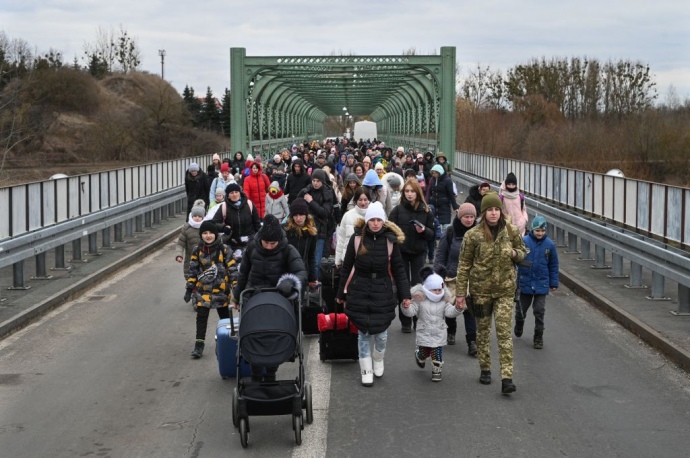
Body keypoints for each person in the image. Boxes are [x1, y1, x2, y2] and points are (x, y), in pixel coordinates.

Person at [454, 191, 527, 395]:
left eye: (497, 209)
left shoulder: (511, 231)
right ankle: (485, 368)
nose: (494, 213)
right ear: (484, 212)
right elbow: (464, 265)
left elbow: (523, 253)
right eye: (490, 210)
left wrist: (515, 253)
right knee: (483, 332)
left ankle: (507, 378)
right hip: (481, 292)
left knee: (504, 333)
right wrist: (460, 293)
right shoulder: (473, 235)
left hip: (504, 290)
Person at [336, 201, 411, 387]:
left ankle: (378, 358)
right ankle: (366, 369)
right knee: (363, 333)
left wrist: (405, 295)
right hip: (360, 289)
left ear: (383, 221)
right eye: (372, 220)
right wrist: (340, 293)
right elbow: (347, 267)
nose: (375, 223)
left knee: (381, 333)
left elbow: (399, 269)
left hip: (382, 290)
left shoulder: (390, 241)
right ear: (367, 220)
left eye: (378, 220)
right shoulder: (357, 239)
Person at [232, 215, 308, 381]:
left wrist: (289, 282)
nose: (268, 246)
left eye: (272, 244)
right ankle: (256, 372)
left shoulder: (288, 250)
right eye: (266, 243)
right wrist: (237, 297)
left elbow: (301, 272)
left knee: (275, 335)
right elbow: (243, 274)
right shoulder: (252, 248)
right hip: (254, 296)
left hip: (278, 297)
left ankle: (271, 371)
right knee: (254, 334)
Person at [388, 179, 435, 333]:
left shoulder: (426, 210)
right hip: (401, 252)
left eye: (412, 191)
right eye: (407, 191)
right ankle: (405, 321)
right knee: (403, 286)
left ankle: (417, 319)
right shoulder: (397, 210)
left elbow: (432, 234)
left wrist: (424, 231)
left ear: (417, 193)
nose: (409, 194)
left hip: (418, 253)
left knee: (417, 287)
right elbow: (389, 230)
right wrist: (395, 239)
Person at [402, 266, 463, 382]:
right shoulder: (419, 299)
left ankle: (436, 370)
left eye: (439, 289)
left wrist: (458, 309)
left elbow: (449, 312)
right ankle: (419, 356)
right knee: (424, 352)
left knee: (436, 352)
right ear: (428, 288)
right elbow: (411, 312)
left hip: (438, 332)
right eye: (434, 290)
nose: (438, 292)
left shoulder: (444, 300)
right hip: (424, 332)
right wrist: (406, 307)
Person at [434, 202, 478, 355]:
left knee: (469, 310)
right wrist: (437, 276)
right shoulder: (450, 232)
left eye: (472, 217)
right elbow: (441, 254)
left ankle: (472, 342)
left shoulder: (479, 233)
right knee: (451, 307)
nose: (469, 220)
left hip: (472, 278)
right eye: (466, 216)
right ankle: (451, 330)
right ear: (460, 217)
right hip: (451, 277)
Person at [184, 220, 233, 358]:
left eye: (211, 233)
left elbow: (233, 269)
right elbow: (193, 270)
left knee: (225, 319)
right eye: (205, 233)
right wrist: (189, 288)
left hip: (221, 291)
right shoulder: (197, 250)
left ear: (216, 234)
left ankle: (228, 342)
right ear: (201, 235)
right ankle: (199, 345)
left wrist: (236, 287)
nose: (208, 235)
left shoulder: (224, 249)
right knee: (201, 317)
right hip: (203, 291)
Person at [516, 215, 559, 349]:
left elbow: (553, 265)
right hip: (525, 282)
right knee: (521, 310)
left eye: (542, 231)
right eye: (537, 230)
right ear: (532, 230)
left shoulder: (549, 245)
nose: (540, 233)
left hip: (541, 283)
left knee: (539, 311)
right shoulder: (524, 241)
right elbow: (516, 260)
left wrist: (553, 283)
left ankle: (538, 337)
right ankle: (519, 323)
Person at [297, 169, 334, 280]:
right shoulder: (307, 190)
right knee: (301, 259)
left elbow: (325, 212)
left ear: (322, 181)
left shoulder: (327, 192)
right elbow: (297, 203)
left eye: (318, 181)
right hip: (305, 229)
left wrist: (311, 202)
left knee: (316, 261)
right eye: (314, 180)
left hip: (319, 230)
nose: (315, 183)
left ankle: (314, 282)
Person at [211, 183, 261, 253]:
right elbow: (214, 224)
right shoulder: (224, 207)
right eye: (231, 193)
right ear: (228, 195)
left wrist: (260, 239)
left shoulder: (249, 204)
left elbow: (257, 223)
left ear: (240, 193)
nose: (234, 194)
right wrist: (223, 227)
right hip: (231, 244)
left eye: (236, 192)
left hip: (250, 243)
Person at [284, 198, 318, 290]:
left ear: (306, 215)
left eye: (301, 215)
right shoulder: (286, 231)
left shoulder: (311, 232)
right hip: (287, 271)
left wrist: (312, 277)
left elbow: (311, 256)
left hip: (302, 272)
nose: (298, 218)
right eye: (295, 215)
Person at [335, 188, 370, 268]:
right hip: (348, 257)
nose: (363, 203)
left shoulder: (374, 216)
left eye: (365, 200)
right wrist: (338, 259)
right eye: (360, 200)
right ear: (355, 201)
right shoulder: (348, 215)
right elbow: (341, 238)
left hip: (367, 259)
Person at [175, 199, 205, 283]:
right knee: (191, 282)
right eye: (195, 216)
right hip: (190, 261)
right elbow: (180, 244)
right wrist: (179, 255)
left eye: (199, 216)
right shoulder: (186, 228)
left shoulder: (206, 227)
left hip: (204, 261)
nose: (197, 218)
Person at [425, 164, 459, 232]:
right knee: (435, 225)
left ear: (440, 172)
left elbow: (451, 195)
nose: (434, 175)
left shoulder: (447, 181)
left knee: (445, 226)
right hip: (434, 206)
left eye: (435, 173)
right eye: (433, 173)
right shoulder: (432, 180)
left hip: (444, 206)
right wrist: (426, 203)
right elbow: (429, 192)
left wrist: (455, 207)